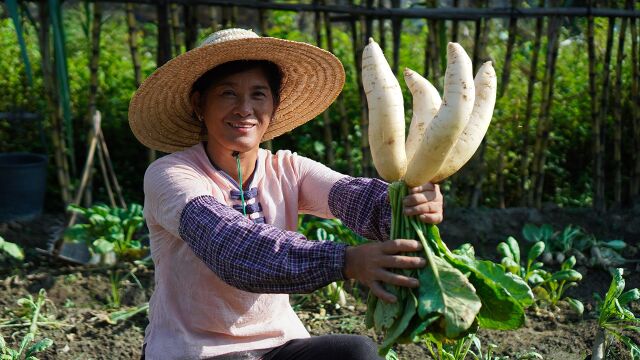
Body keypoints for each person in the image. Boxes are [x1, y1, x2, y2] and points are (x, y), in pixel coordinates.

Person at [129, 28, 444, 360]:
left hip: (276, 346)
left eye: (258, 94)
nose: (244, 109)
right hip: (194, 350)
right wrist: (346, 261)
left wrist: (407, 204)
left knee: (357, 352)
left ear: (274, 105)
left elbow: (355, 199)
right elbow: (229, 247)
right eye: (227, 93)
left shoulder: (288, 169)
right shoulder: (171, 174)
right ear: (198, 104)